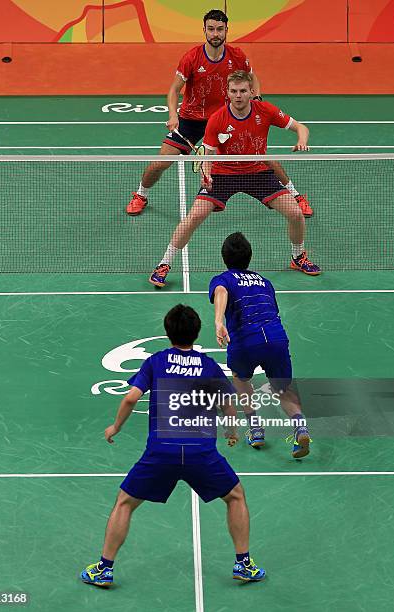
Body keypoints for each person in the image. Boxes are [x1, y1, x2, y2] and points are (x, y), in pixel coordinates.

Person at [80, 304, 266, 587]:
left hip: (161, 451)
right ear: (197, 333)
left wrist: (115, 426)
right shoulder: (209, 365)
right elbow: (229, 404)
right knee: (235, 497)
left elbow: (130, 398)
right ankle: (244, 564)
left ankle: (104, 568)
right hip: (201, 452)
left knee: (125, 503)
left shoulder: (155, 361)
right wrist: (231, 431)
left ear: (167, 333)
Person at [126, 9, 312, 217]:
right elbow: (174, 90)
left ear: (226, 31)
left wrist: (257, 100)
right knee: (160, 163)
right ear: (204, 30)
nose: (216, 34)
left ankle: (296, 196)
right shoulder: (192, 58)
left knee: (264, 159)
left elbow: (252, 78)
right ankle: (140, 195)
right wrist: (173, 115)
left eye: (220, 30)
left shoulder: (237, 55)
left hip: (227, 118)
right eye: (211, 29)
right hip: (191, 120)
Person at [149, 70, 320, 288]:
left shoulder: (265, 110)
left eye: (242, 91)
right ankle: (164, 264)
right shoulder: (217, 119)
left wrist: (301, 140)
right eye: (233, 91)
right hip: (223, 174)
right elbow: (208, 156)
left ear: (251, 92)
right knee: (192, 218)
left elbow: (300, 127)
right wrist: (206, 174)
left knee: (295, 213)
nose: (238, 95)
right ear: (227, 93)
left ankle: (298, 257)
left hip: (257, 172)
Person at [209, 232, 311, 457]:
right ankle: (300, 427)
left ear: (224, 258)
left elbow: (221, 292)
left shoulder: (222, 280)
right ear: (249, 257)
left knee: (241, 379)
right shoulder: (265, 282)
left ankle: (255, 428)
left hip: (246, 341)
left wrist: (218, 321)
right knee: (283, 389)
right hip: (276, 338)